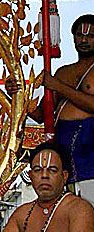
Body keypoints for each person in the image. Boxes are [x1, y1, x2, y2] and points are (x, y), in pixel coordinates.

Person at [6, 15, 94, 204]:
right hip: (62, 143)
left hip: (89, 144)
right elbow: (40, 115)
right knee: (64, 207)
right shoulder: (63, 72)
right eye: (80, 35)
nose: (84, 40)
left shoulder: (58, 80)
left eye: (90, 36)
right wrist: (16, 94)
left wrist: (58, 86)